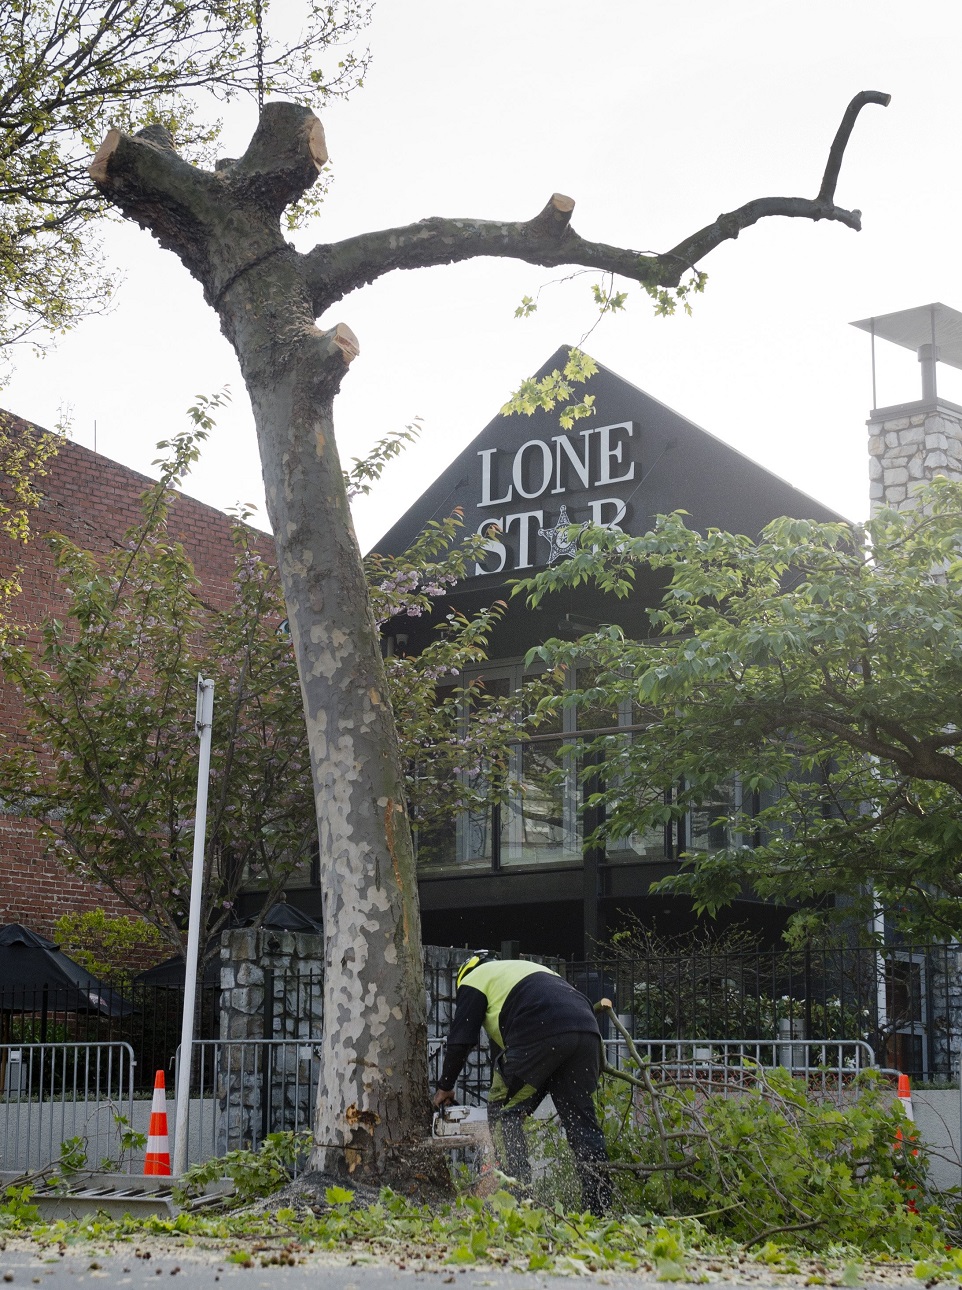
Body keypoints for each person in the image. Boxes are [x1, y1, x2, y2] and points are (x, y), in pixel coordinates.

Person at [432, 951, 612, 1216]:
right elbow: (507, 1060)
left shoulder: (475, 978)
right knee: (581, 1124)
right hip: (586, 1031)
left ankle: (517, 1201)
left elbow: (462, 1038)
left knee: (504, 1115)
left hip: (542, 1029)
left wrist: (445, 1085)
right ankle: (599, 1209)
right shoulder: (525, 974)